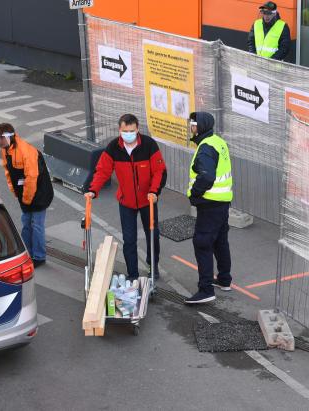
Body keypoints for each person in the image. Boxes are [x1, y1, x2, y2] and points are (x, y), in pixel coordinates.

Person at [85, 114, 167, 281]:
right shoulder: (113, 148)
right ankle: (133, 274)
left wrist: (154, 192)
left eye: (132, 131)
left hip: (148, 200)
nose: (128, 134)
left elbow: (160, 171)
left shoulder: (149, 145)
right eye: (125, 131)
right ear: (119, 130)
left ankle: (153, 265)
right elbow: (102, 171)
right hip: (126, 201)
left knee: (153, 235)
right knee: (129, 240)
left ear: (137, 129)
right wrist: (93, 190)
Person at [185, 112, 233, 304]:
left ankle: (205, 290)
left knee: (202, 243)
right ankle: (224, 279)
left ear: (201, 126)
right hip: (222, 202)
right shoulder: (217, 141)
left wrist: (195, 194)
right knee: (220, 241)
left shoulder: (205, 149)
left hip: (210, 203)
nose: (191, 127)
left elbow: (207, 176)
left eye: (193, 124)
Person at [0, 123, 54, 267]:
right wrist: (17, 193)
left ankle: (39, 257)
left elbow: (32, 178)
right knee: (27, 223)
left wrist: (26, 199)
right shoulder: (6, 150)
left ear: (6, 137)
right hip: (26, 194)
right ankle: (27, 252)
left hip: (39, 193)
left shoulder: (27, 152)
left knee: (36, 225)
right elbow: (8, 172)